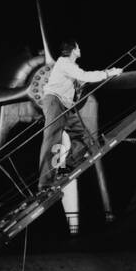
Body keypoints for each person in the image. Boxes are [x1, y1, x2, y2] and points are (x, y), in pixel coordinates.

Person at [37, 39, 122, 189]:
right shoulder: (64, 63)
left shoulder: (72, 67)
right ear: (73, 49)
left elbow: (81, 81)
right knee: (52, 138)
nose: (80, 49)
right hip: (55, 100)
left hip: (66, 105)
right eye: (78, 47)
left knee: (83, 136)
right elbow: (84, 76)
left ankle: (67, 166)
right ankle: (45, 182)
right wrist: (109, 72)